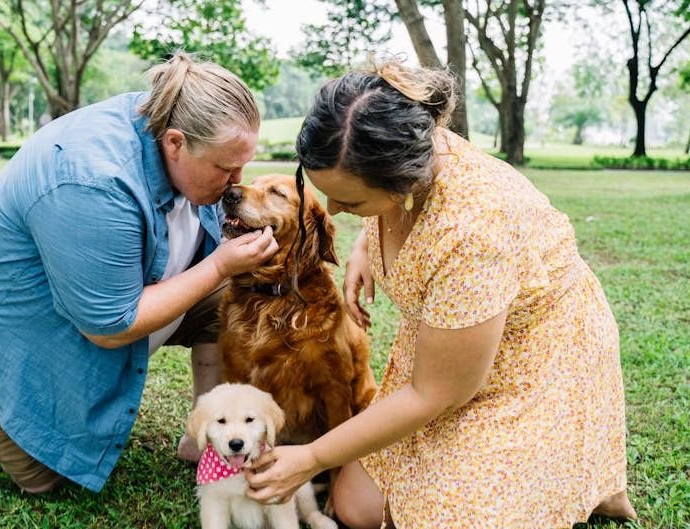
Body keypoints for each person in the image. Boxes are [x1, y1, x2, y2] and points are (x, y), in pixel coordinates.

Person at [244, 60, 637, 528]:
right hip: (447, 341)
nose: (333, 211)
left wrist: (310, 457)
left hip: (534, 352)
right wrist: (367, 247)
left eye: (350, 203)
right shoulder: (402, 135)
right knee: (355, 506)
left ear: (404, 183)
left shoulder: (475, 230)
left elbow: (435, 392)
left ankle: (579, 476)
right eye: (327, 194)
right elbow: (385, 207)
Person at [0, 53, 278, 494]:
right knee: (45, 481)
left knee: (232, 301)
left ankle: (209, 436)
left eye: (243, 164)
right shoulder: (93, 181)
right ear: (175, 143)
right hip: (32, 322)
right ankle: (20, 399)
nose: (237, 181)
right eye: (225, 168)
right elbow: (108, 328)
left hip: (125, 292)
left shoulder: (174, 121)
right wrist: (218, 265)